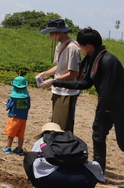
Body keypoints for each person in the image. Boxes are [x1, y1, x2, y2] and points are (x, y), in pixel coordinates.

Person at [42, 27, 124, 171]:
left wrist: (98, 116)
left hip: (119, 107)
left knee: (122, 142)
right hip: (107, 106)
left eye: (80, 45)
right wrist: (56, 82)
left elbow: (106, 92)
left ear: (89, 45)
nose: (79, 48)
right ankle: (99, 171)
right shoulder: (92, 60)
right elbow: (85, 83)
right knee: (98, 137)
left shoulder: (108, 61)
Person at [24, 123, 104, 188]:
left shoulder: (43, 140)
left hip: (52, 178)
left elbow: (33, 156)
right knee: (92, 168)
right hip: (80, 180)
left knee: (30, 157)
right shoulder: (75, 140)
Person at [36, 18, 81, 132]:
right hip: (57, 89)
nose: (50, 36)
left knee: (63, 125)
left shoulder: (72, 47)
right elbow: (59, 66)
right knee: (55, 122)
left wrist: (54, 80)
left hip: (67, 91)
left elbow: (73, 72)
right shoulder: (59, 46)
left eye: (51, 33)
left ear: (59, 32)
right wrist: (44, 74)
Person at [4, 76, 30, 155]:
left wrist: (7, 106)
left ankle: (8, 147)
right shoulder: (27, 97)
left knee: (11, 133)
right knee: (21, 134)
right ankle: (19, 148)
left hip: (14, 117)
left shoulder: (13, 97)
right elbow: (28, 107)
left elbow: (9, 106)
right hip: (23, 118)